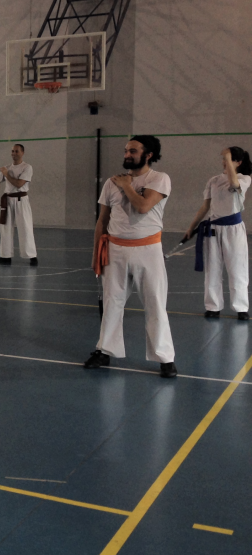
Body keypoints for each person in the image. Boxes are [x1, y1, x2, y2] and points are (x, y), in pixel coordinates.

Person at [85, 136, 177, 378]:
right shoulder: (110, 183)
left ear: (148, 155)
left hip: (148, 250)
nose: (127, 154)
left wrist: (127, 185)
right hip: (115, 250)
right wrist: (95, 254)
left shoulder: (159, 179)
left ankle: (165, 357)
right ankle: (105, 349)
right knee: (112, 302)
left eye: (133, 151)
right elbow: (102, 220)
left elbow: (143, 206)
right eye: (126, 150)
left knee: (155, 303)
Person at [182, 146, 251, 320]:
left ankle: (241, 307)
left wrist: (228, 158)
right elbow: (205, 206)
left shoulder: (244, 179)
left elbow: (234, 184)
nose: (224, 162)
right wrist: (191, 227)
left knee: (237, 268)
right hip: (212, 229)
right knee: (212, 269)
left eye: (228, 159)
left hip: (233, 230)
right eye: (223, 159)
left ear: (238, 162)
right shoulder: (213, 180)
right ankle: (213, 306)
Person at [0, 143, 37, 266]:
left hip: (21, 200)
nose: (14, 153)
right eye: (12, 151)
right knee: (5, 228)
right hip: (7, 200)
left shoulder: (27, 167)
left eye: (16, 151)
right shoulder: (7, 167)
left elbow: (19, 184)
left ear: (22, 153)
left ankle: (31, 256)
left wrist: (7, 174)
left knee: (25, 227)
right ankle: (5, 256)